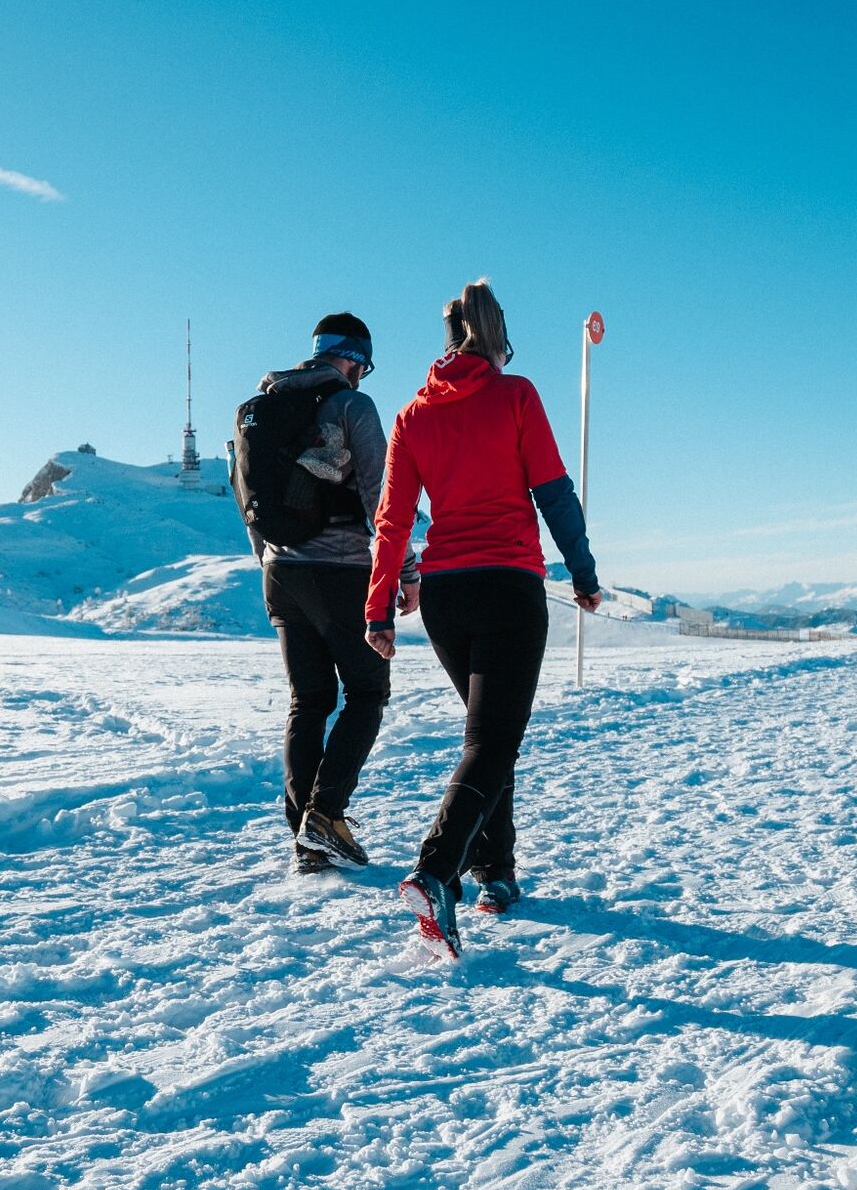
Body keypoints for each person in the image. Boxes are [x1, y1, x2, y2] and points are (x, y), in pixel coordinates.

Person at [364, 280, 600, 956]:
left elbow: (393, 521)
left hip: (446, 598)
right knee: (492, 741)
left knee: (489, 732)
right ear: (498, 337)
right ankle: (437, 871)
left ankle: (495, 873)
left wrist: (379, 608)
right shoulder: (515, 395)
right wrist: (583, 572)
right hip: (508, 587)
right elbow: (554, 493)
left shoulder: (412, 416)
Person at [237, 313, 418, 875]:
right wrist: (407, 570)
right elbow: (381, 496)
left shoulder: (262, 408)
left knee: (309, 701)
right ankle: (325, 815)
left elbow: (249, 499)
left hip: (280, 573)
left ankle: (307, 839)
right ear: (356, 358)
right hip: (339, 569)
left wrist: (274, 559)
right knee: (367, 691)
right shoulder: (351, 405)